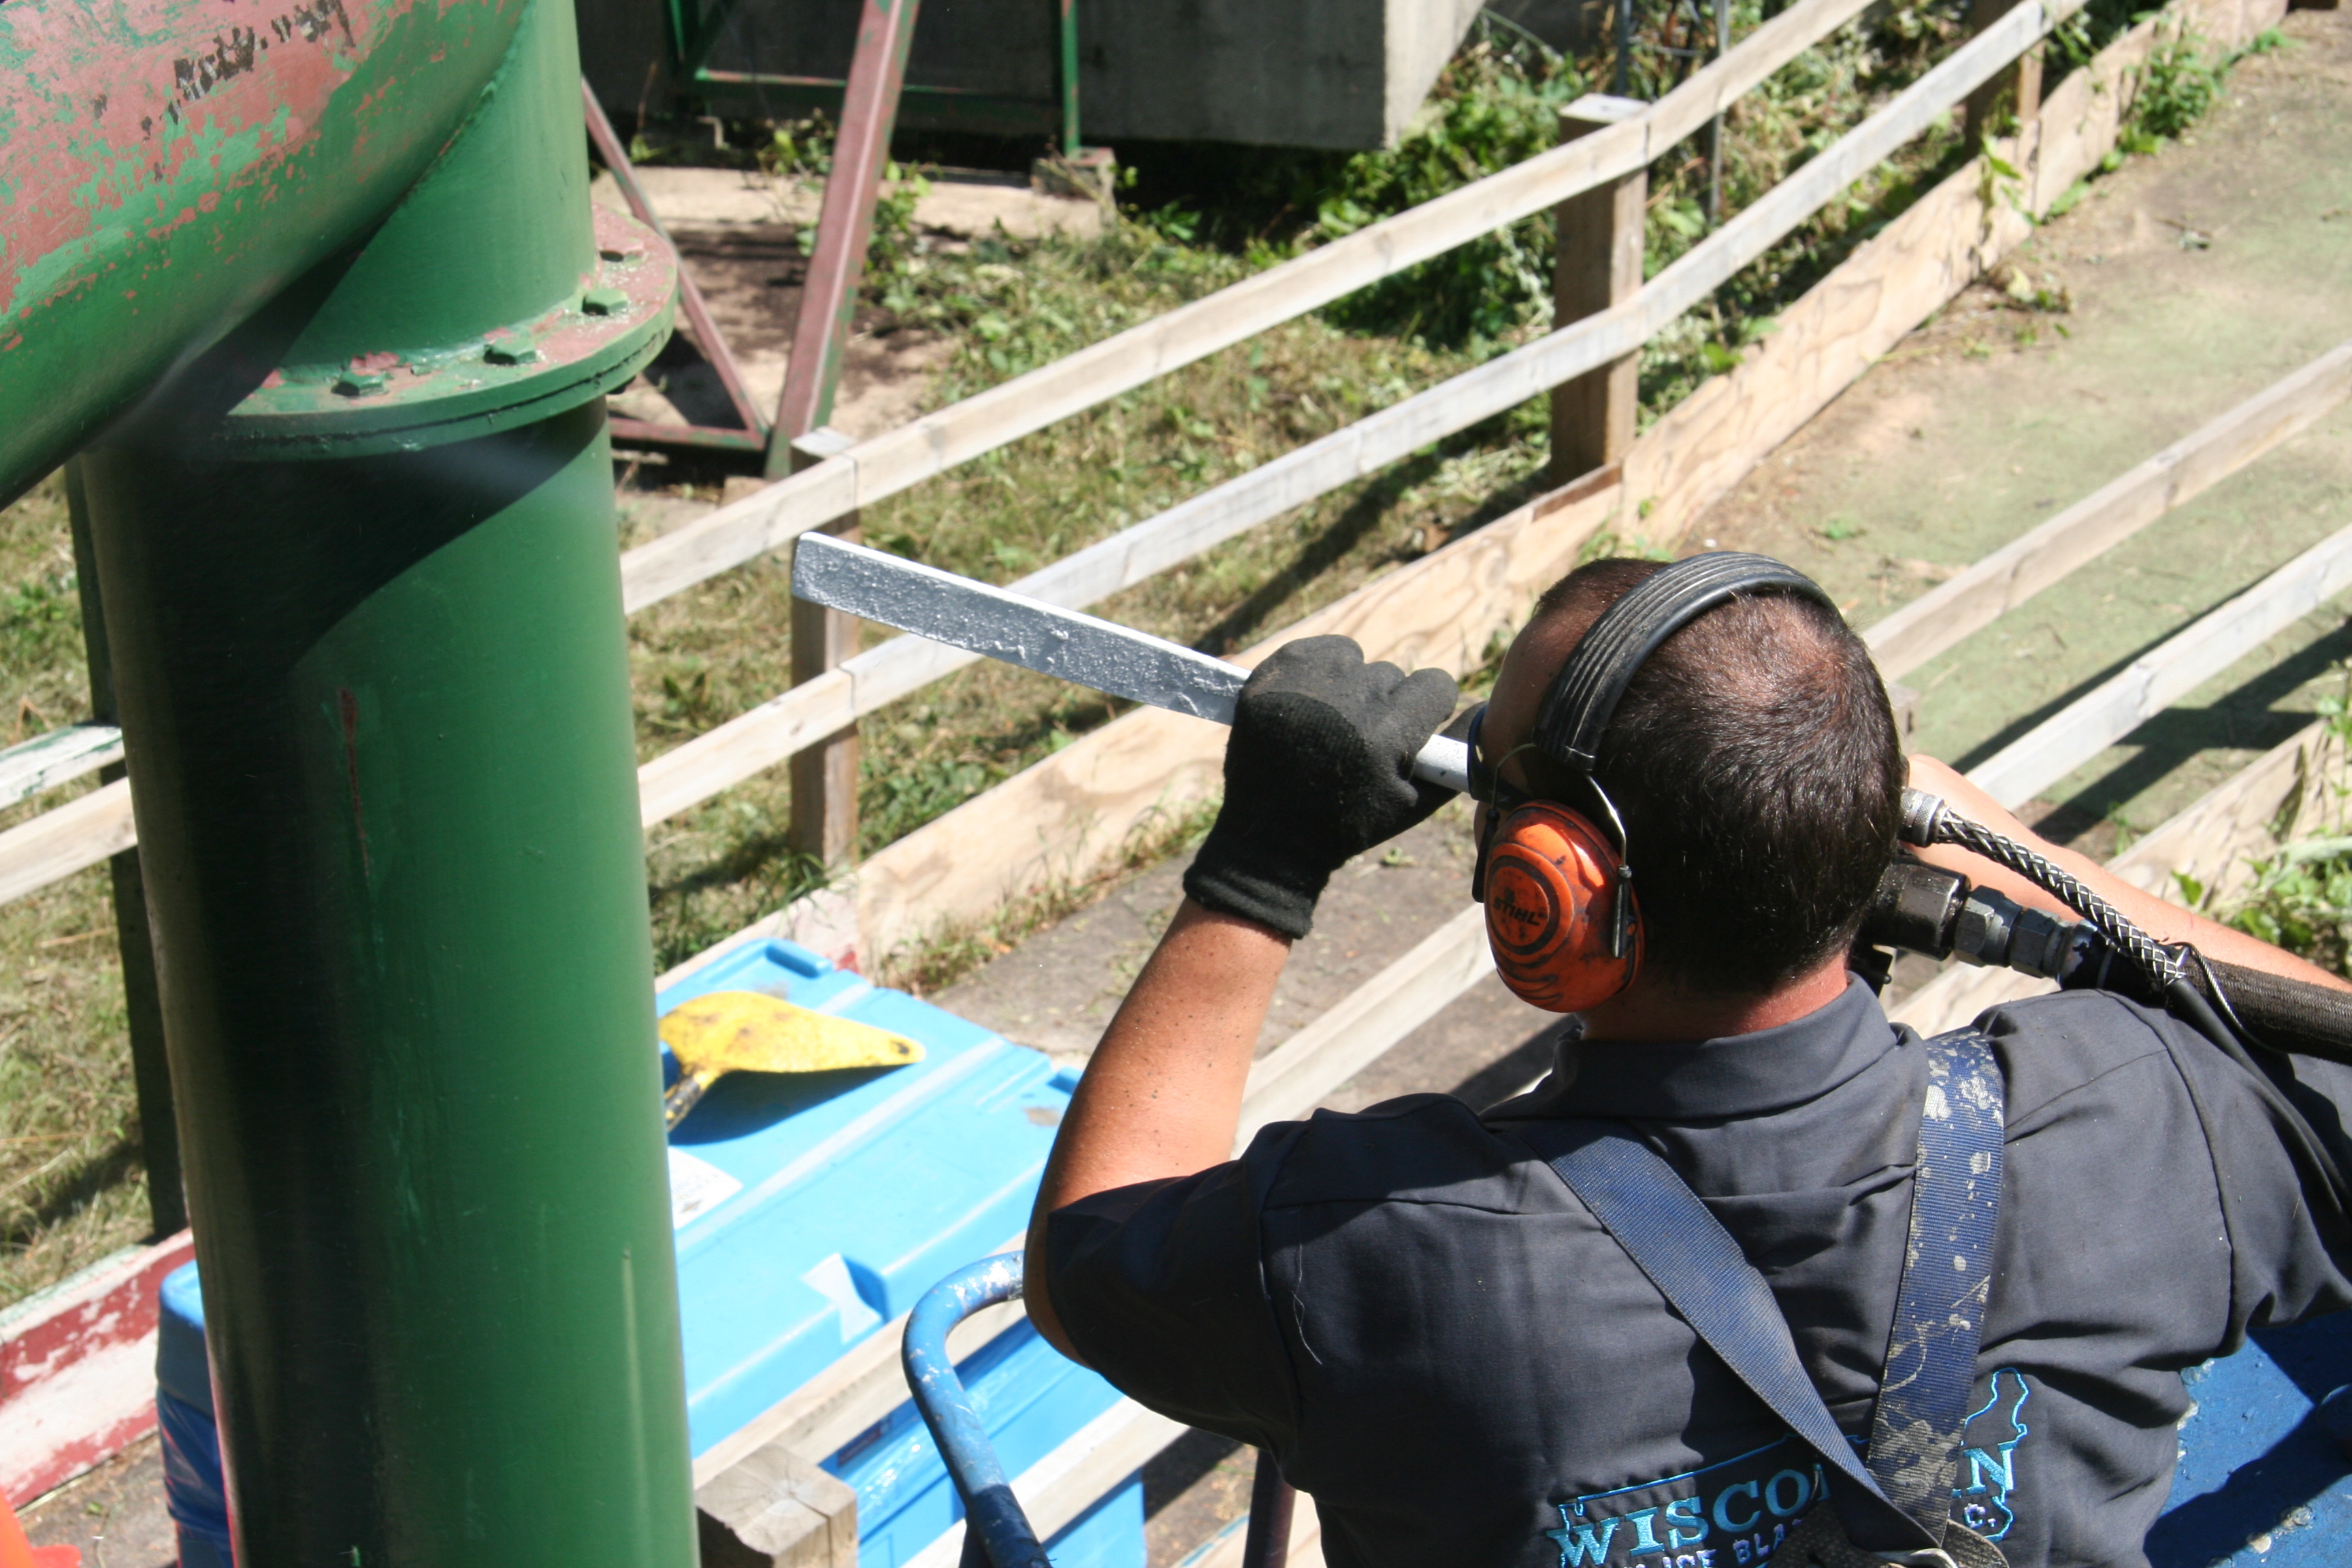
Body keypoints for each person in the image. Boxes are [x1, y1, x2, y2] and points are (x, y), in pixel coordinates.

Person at [1020, 554, 2352, 1568]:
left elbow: (1087, 1261)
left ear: (1553, 889)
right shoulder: (2140, 1126)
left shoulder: (1376, 1247)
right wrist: (1981, 831)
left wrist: (1260, 869)